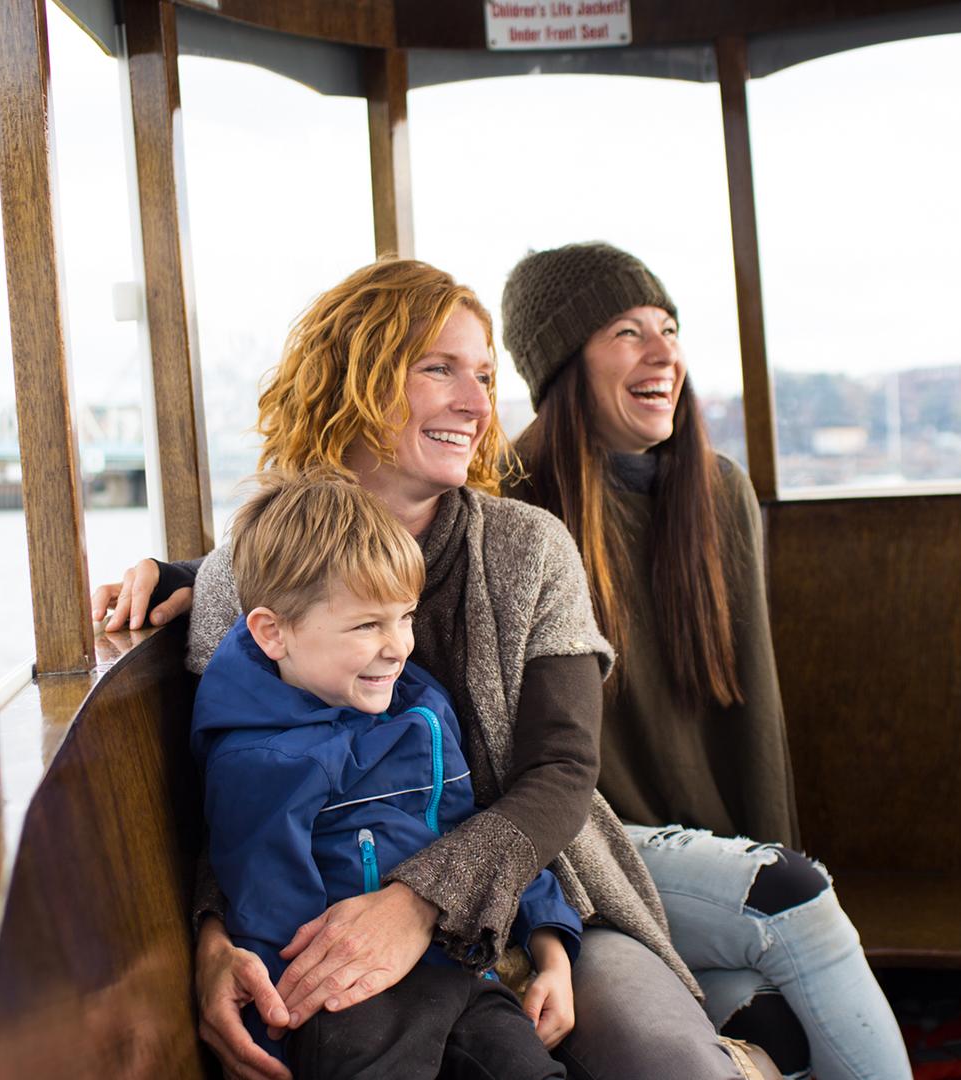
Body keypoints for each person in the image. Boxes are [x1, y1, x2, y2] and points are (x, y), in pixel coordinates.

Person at [95, 258, 749, 1080]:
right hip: (327, 934)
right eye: (438, 369)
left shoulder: (529, 548)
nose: (477, 405)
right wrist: (213, 942)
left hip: (538, 881)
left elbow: (561, 773)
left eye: (482, 374)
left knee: (671, 1066)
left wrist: (425, 904)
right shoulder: (241, 574)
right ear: (355, 380)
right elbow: (227, 800)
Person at [497, 241, 913, 1080]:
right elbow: (354, 540)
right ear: (562, 364)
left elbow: (751, 715)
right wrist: (190, 576)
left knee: (776, 1017)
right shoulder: (506, 507)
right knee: (791, 905)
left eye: (671, 328)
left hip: (698, 864)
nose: (665, 354)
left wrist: (761, 851)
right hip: (588, 851)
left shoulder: (714, 491)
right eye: (627, 331)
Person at [193, 471, 578, 1079]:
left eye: (404, 617)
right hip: (352, 1001)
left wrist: (548, 942)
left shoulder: (421, 709)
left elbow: (471, 833)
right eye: (367, 625)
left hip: (462, 971)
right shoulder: (262, 764)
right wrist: (275, 1043)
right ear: (273, 633)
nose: (399, 645)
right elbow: (267, 920)